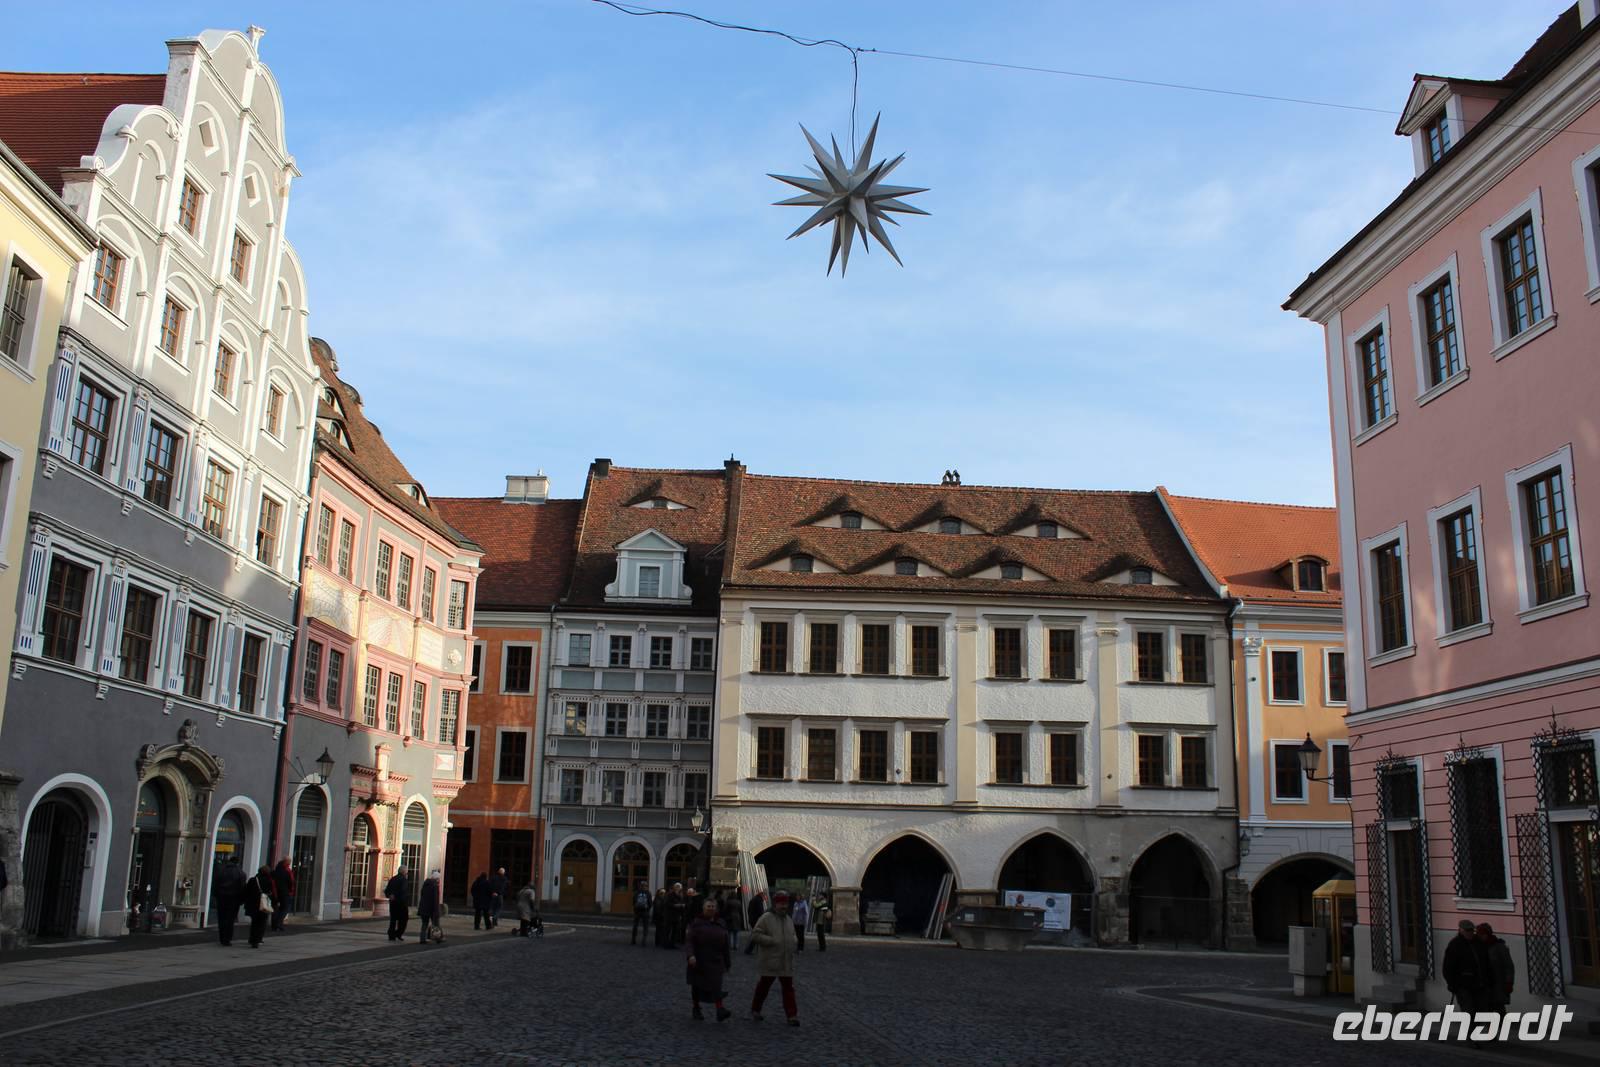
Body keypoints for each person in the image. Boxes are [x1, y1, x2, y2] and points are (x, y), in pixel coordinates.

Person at [749, 890, 799, 1026]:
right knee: (763, 987)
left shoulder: (788, 919)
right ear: (775, 904)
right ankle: (755, 1009)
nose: (784, 906)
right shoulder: (766, 918)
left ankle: (792, 1015)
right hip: (770, 960)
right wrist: (771, 940)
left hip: (786, 961)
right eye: (781, 903)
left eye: (785, 903)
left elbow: (793, 934)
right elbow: (755, 935)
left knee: (789, 989)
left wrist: (794, 941)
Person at [685, 896, 733, 1021]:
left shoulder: (721, 923)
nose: (711, 909)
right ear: (703, 908)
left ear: (716, 908)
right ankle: (696, 1008)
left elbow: (726, 945)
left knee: (717, 986)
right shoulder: (696, 923)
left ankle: (720, 1009)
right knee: (697, 986)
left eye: (713, 906)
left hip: (716, 960)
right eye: (708, 906)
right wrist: (691, 955)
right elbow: (689, 941)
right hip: (699, 960)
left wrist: (727, 963)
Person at [1442, 918, 1488, 1016]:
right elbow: (1448, 967)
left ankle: (1474, 1029)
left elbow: (1485, 962)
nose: (1470, 933)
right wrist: (1452, 984)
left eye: (1471, 930)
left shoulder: (1478, 943)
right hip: (1463, 985)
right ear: (1461, 931)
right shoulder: (1455, 945)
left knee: (1480, 1010)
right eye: (1467, 930)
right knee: (1468, 1011)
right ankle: (1469, 1030)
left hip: (1478, 984)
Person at [1479, 923, 1516, 1012]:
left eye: (1483, 934)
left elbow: (1509, 966)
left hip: (1498, 984)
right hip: (1485, 984)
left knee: (1498, 1007)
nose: (1480, 937)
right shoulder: (1479, 946)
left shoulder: (1499, 947)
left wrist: (1509, 982)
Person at [214, 860, 247, 946]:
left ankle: (222, 937)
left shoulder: (221, 871)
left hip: (221, 897)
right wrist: (242, 900)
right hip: (234, 898)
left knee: (221, 918)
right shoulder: (240, 872)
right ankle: (227, 939)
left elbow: (215, 884)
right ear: (237, 863)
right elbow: (242, 887)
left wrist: (216, 895)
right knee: (230, 919)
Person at [243, 864, 274, 948]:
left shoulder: (252, 880)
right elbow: (272, 892)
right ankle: (258, 939)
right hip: (263, 903)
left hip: (253, 904)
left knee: (254, 922)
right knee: (262, 922)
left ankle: (252, 939)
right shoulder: (269, 881)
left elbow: (247, 891)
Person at [417, 869, 443, 944]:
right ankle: (438, 938)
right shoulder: (434, 886)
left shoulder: (425, 884)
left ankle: (422, 939)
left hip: (423, 908)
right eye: (438, 879)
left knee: (424, 924)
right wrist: (436, 911)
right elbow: (435, 900)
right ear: (436, 878)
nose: (439, 880)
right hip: (431, 909)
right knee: (436, 924)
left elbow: (422, 895)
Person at [384, 868, 411, 942]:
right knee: (403, 920)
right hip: (401, 903)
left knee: (393, 920)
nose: (407, 874)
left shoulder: (393, 879)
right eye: (406, 872)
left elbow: (387, 890)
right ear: (403, 872)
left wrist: (390, 895)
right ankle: (398, 933)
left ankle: (391, 935)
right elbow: (403, 891)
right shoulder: (403, 880)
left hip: (393, 903)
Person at [270, 857, 295, 932]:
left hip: (275, 892)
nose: (290, 863)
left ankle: (274, 925)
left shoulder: (276, 870)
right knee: (285, 908)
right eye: (289, 862)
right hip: (285, 892)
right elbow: (291, 882)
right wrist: (290, 890)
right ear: (287, 862)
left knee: (275, 909)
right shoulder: (287, 871)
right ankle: (278, 923)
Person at [744, 891, 765, 955]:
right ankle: (749, 950)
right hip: (756, 920)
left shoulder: (753, 900)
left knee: (756, 935)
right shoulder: (758, 900)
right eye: (764, 896)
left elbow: (748, 910)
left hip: (752, 920)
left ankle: (750, 950)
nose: (764, 898)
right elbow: (760, 911)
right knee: (757, 935)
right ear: (762, 895)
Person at [631, 880, 652, 946]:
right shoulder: (648, 893)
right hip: (645, 912)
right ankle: (644, 941)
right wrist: (648, 909)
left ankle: (633, 940)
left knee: (635, 926)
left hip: (637, 911)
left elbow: (633, 902)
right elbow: (650, 903)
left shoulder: (636, 892)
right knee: (645, 927)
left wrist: (635, 909)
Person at [668, 883, 687, 948]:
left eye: (679, 887)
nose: (678, 888)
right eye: (677, 887)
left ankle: (673, 944)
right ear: (674, 887)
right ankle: (667, 944)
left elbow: (683, 904)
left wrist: (682, 906)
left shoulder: (681, 895)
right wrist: (676, 905)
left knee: (675, 931)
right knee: (669, 930)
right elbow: (667, 904)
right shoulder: (670, 895)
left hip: (678, 916)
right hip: (670, 915)